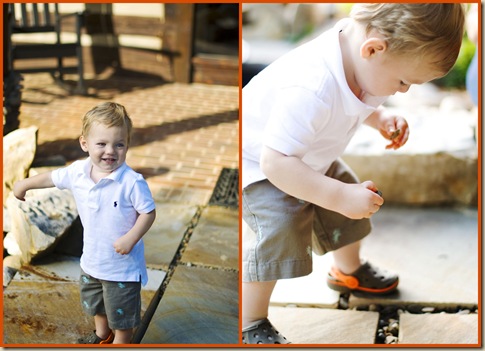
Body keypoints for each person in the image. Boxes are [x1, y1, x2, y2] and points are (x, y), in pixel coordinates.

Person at [241, 3, 465, 344]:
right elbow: (277, 162)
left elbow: (355, 92)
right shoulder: (311, 86)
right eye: (403, 81)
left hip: (306, 156)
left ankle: (348, 273)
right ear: (373, 49)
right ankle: (249, 320)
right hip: (261, 166)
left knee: (347, 210)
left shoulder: (358, 53)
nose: (403, 90)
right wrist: (337, 195)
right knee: (279, 230)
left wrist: (378, 117)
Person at [13, 102, 157, 344]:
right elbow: (51, 177)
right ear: (85, 144)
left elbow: (148, 213)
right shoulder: (78, 172)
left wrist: (131, 237)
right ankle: (102, 334)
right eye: (101, 144)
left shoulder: (132, 182)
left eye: (119, 144)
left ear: (127, 145)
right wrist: (25, 184)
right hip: (91, 260)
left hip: (121, 267)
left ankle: (121, 341)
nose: (110, 151)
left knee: (122, 316)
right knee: (95, 304)